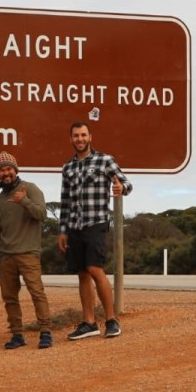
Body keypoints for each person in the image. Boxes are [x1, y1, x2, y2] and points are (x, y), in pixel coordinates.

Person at [57, 122, 133, 340]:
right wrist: (62, 231)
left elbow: (126, 183)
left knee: (94, 268)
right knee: (81, 273)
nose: (79, 139)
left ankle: (111, 320)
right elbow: (65, 201)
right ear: (71, 139)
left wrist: (121, 188)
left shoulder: (104, 160)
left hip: (96, 222)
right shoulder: (68, 167)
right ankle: (89, 323)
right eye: (75, 136)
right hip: (74, 226)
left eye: (83, 135)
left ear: (90, 137)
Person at [0, 151, 53, 350]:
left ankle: (45, 331)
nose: (6, 173)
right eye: (1, 170)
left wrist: (24, 201)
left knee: (37, 292)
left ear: (15, 169)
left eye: (9, 168)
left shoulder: (30, 189)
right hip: (5, 254)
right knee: (9, 297)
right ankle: (17, 334)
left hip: (28, 251)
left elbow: (42, 214)